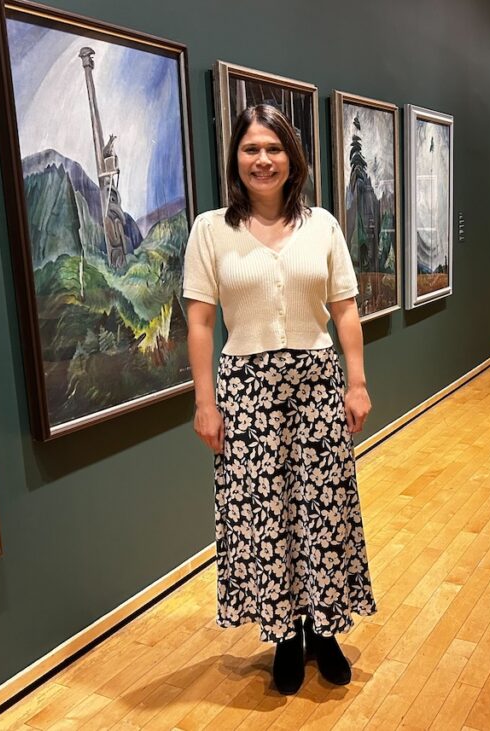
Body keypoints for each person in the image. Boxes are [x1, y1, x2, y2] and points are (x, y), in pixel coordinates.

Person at [182, 104, 377, 695]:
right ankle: (286, 635)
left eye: (273, 148)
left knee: (324, 511)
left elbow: (345, 308)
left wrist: (358, 380)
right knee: (264, 517)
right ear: (235, 160)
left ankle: (326, 631)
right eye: (250, 149)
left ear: (292, 158)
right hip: (246, 388)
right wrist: (205, 402)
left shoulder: (322, 226)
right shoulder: (210, 230)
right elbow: (198, 322)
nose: (262, 160)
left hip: (316, 382)